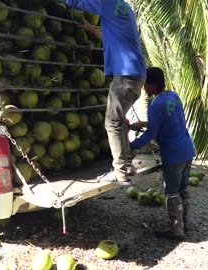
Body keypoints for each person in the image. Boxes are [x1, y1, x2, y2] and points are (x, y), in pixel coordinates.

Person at [64, 0, 146, 185]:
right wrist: (92, 30)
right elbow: (114, 40)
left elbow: (74, 2)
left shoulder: (107, 4)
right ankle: (127, 165)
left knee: (112, 123)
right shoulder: (124, 8)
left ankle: (120, 173)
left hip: (124, 76)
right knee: (119, 122)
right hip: (135, 74)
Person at [129, 67, 196, 240]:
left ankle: (176, 230)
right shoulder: (173, 96)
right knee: (183, 189)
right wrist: (140, 124)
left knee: (172, 192)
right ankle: (185, 224)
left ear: (153, 84)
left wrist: (132, 145)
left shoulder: (155, 104)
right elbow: (167, 121)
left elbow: (152, 133)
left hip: (173, 155)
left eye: (146, 85)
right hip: (187, 149)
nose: (144, 89)